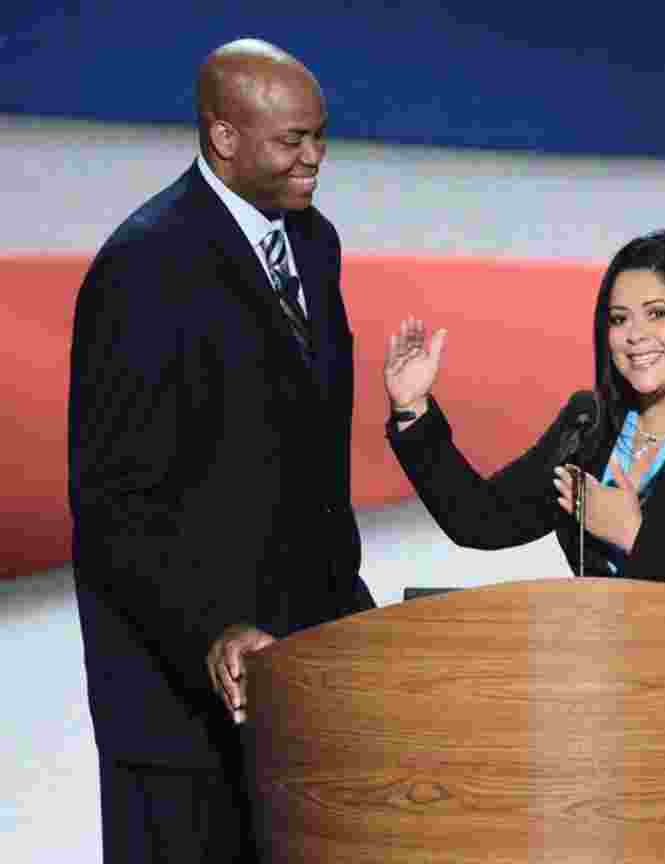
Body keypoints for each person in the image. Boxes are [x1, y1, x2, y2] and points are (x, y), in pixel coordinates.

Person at [68, 38, 373, 862]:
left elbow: (306, 456)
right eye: (292, 140)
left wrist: (343, 604)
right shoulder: (144, 265)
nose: (314, 157)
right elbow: (114, 501)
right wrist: (213, 628)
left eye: (320, 136)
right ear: (224, 137)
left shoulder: (313, 241)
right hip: (181, 701)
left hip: (301, 668)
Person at [384, 229, 665, 604]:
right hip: (598, 666)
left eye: (657, 313)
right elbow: (481, 520)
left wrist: (635, 536)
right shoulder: (587, 425)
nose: (635, 335)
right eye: (619, 319)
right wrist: (412, 409)